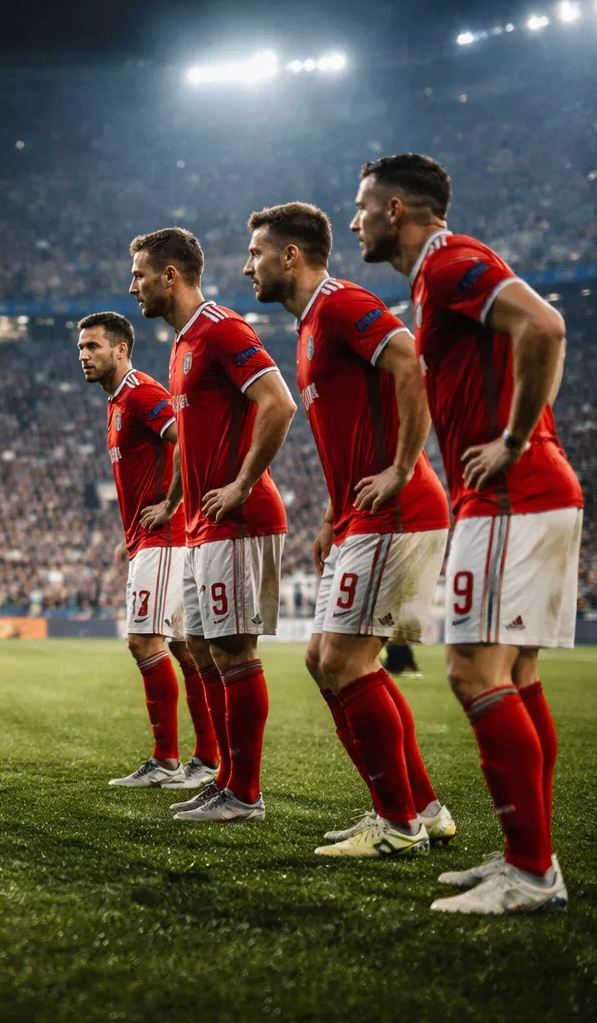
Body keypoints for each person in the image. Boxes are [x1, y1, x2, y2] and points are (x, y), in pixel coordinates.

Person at [352, 153, 580, 914]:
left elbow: (545, 325)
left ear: (395, 212)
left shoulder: (449, 259)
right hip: (534, 491)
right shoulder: (436, 277)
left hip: (512, 492)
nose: (354, 221)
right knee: (516, 679)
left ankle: (531, 872)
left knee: (472, 675)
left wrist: (514, 439)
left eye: (362, 207)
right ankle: (529, 859)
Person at [244, 201, 454, 858]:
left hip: (397, 509)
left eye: (256, 253)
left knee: (343, 660)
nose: (247, 266)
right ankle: (421, 807)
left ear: (291, 256)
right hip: (361, 516)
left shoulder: (338, 303)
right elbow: (353, 426)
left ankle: (398, 824)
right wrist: (334, 517)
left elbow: (409, 359)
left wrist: (399, 468)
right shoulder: (310, 327)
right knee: (322, 659)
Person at [128, 227, 296, 823]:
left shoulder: (222, 328)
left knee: (233, 650)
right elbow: (192, 442)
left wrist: (243, 484)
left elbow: (279, 402)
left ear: (170, 275)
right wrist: (177, 499)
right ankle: (226, 777)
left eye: (140, 274)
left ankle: (245, 794)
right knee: (200, 647)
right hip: (202, 524)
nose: (134, 286)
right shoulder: (179, 344)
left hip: (239, 518)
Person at [76, 312, 217, 790]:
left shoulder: (141, 392)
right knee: (184, 648)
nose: (84, 356)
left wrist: (172, 502)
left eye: (93, 346)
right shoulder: (116, 401)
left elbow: (183, 438)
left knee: (144, 642)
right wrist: (131, 535)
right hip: (148, 539)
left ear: (120, 349)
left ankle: (166, 759)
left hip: (166, 538)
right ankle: (207, 759)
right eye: (81, 348)